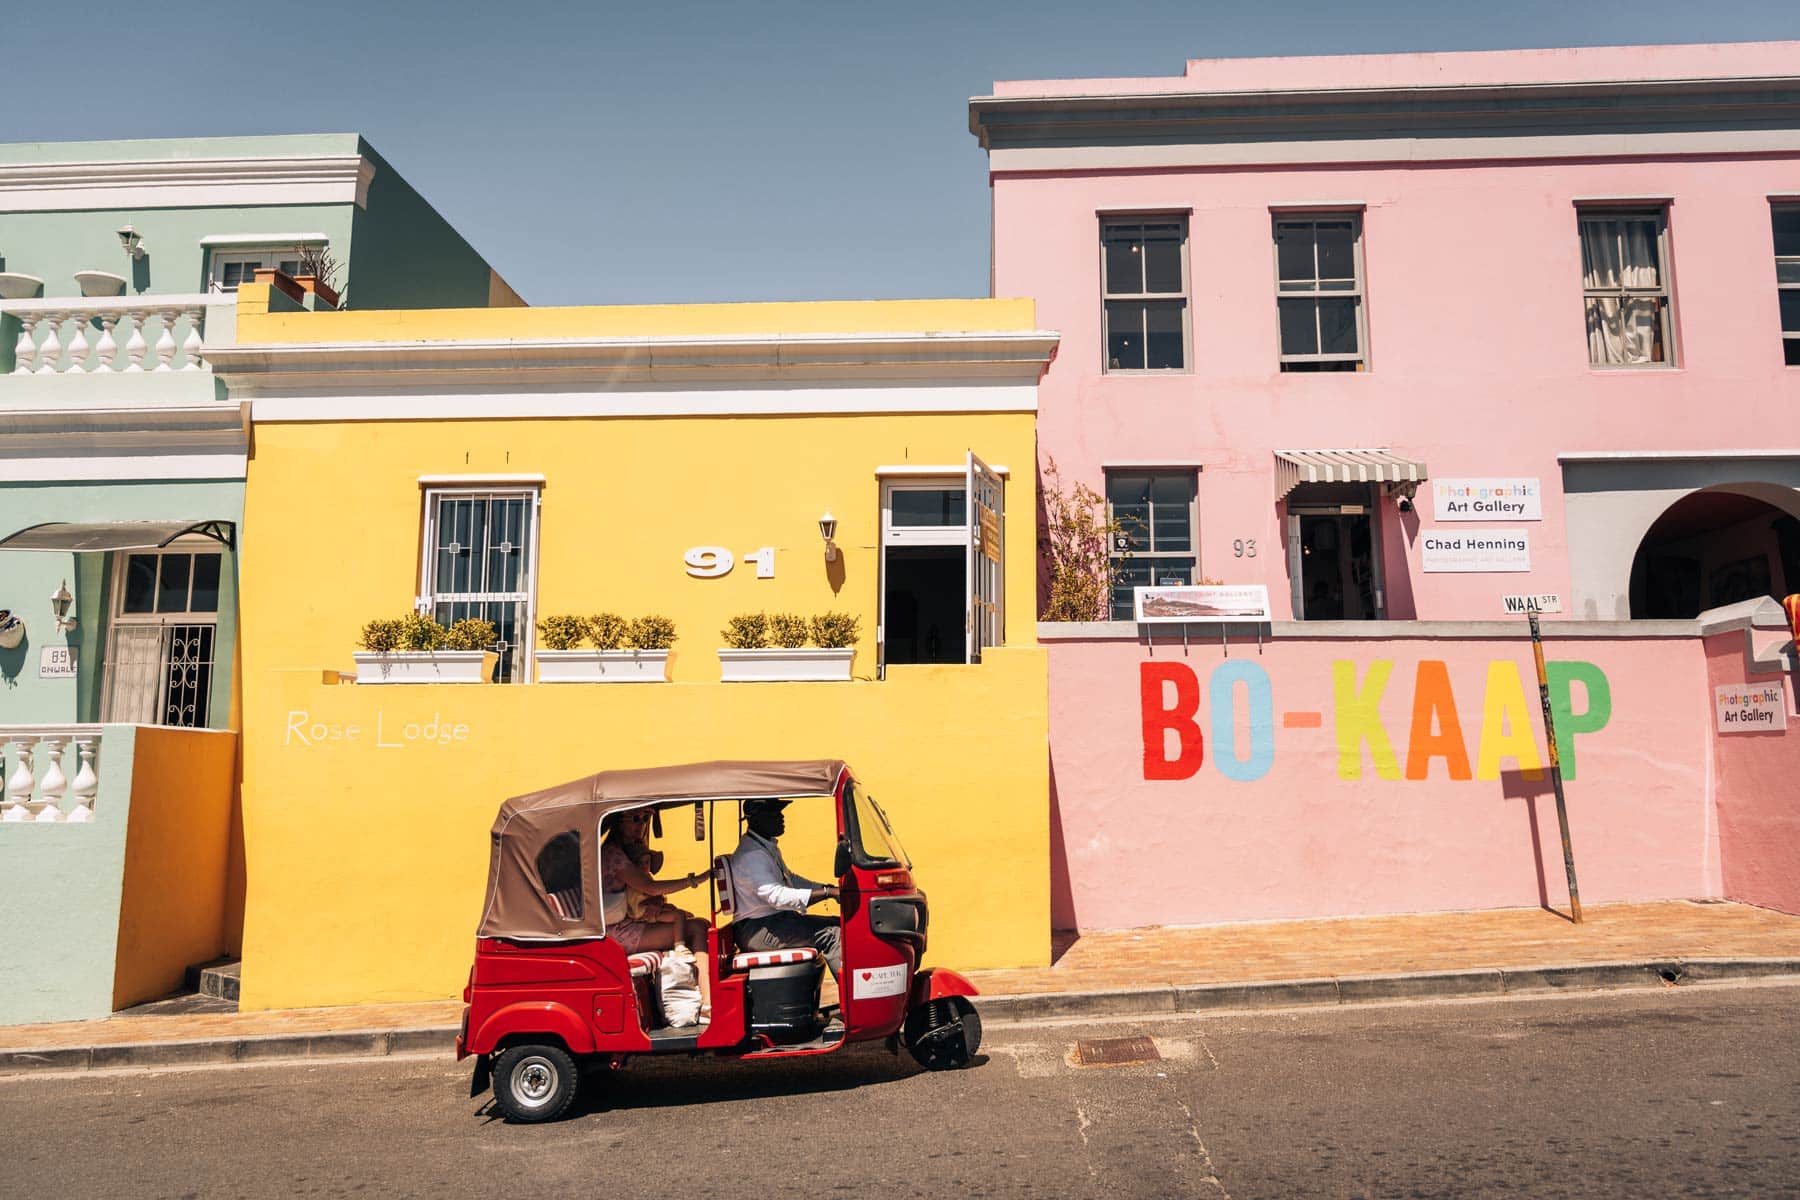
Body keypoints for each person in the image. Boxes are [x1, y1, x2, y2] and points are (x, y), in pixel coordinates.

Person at [601, 808, 712, 1017]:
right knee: (696, 928)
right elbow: (648, 887)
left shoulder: (633, 849)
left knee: (700, 923)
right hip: (617, 930)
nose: (641, 824)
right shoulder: (612, 853)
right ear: (619, 823)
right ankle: (708, 1002)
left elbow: (643, 893)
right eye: (634, 818)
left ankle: (702, 993)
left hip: (633, 919)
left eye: (645, 818)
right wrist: (693, 881)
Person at [728, 797, 842, 978]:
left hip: (773, 922)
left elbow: (791, 880)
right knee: (834, 933)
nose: (781, 817)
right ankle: (851, 998)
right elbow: (778, 897)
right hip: (760, 930)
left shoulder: (765, 846)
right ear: (755, 819)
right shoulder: (751, 855)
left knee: (838, 922)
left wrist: (826, 888)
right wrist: (828, 893)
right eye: (774, 813)